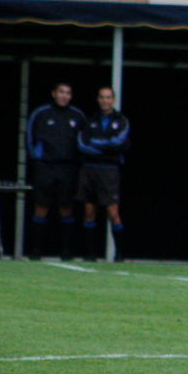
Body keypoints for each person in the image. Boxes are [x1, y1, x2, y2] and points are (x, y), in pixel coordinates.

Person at [26, 82, 86, 261]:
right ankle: (35, 251)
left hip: (67, 169)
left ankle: (66, 252)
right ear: (53, 93)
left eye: (68, 93)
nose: (64, 96)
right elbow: (29, 137)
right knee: (41, 207)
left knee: (66, 208)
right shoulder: (41, 113)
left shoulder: (77, 115)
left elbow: (84, 141)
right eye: (61, 92)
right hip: (45, 168)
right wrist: (37, 157)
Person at [77, 87, 131, 262]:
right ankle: (90, 254)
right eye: (102, 97)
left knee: (112, 212)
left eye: (108, 97)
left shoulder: (121, 120)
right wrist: (106, 148)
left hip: (109, 171)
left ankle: (120, 254)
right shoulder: (89, 120)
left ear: (113, 100)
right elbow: (82, 145)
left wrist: (96, 145)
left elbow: (119, 143)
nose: (105, 100)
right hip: (89, 170)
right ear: (98, 99)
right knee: (89, 211)